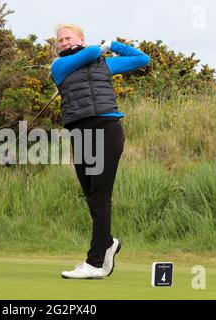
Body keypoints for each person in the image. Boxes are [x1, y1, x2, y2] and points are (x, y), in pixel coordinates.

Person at [50, 24, 151, 279]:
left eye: (68, 38)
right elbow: (86, 55)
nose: (63, 42)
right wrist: (97, 48)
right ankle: (107, 244)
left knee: (100, 196)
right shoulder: (58, 67)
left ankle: (95, 261)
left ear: (81, 39)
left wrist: (113, 44)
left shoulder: (103, 65)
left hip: (107, 129)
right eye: (59, 40)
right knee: (91, 196)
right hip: (80, 134)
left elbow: (142, 58)